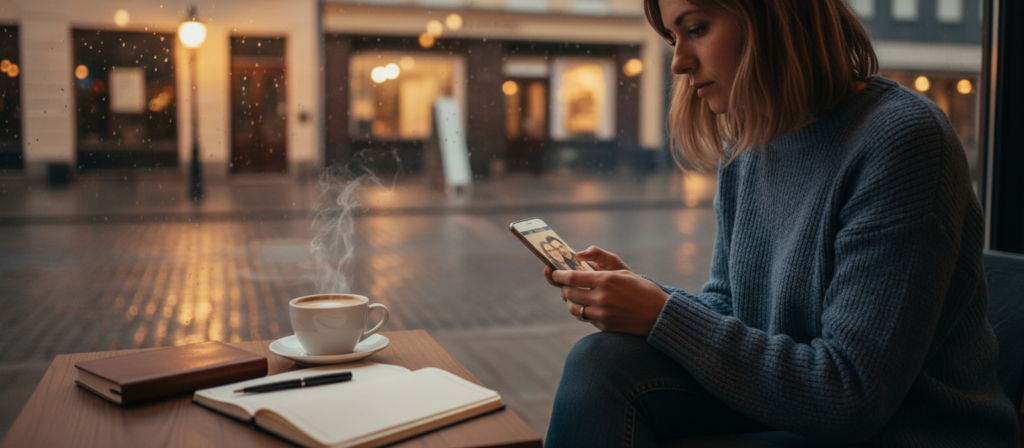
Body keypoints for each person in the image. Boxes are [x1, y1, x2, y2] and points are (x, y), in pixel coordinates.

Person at [542, 0, 1019, 446]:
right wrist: (644, 298)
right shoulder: (750, 142)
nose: (679, 62)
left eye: (697, 29)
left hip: (903, 430)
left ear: (772, 15)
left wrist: (661, 314)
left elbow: (851, 395)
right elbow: (732, 306)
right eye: (672, 39)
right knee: (600, 361)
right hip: (795, 404)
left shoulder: (901, 141)